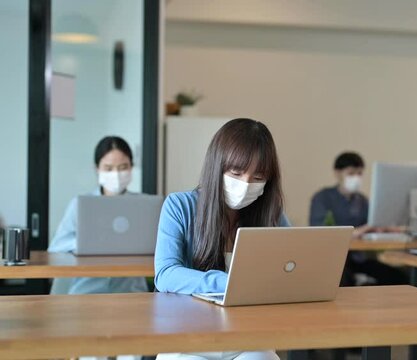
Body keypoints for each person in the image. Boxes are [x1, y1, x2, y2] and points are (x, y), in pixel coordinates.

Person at [154, 118, 286, 360]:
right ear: (217, 167)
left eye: (257, 178)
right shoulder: (179, 205)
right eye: (236, 173)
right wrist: (231, 284)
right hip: (188, 336)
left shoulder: (272, 215)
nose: (245, 185)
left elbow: (289, 272)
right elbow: (166, 274)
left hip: (249, 337)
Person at [48, 136, 148, 295]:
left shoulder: (145, 205)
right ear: (97, 169)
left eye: (123, 167)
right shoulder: (80, 204)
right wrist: (89, 243)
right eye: (108, 168)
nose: (116, 174)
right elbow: (56, 246)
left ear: (131, 167)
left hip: (131, 291)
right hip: (86, 290)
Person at [309, 152, 407, 286]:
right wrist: (362, 229)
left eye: (359, 173)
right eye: (351, 173)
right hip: (333, 261)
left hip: (359, 259)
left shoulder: (362, 201)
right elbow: (321, 232)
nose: (356, 177)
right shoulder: (322, 198)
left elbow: (374, 225)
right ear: (338, 173)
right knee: (343, 279)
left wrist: (385, 227)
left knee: (397, 277)